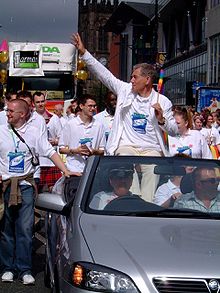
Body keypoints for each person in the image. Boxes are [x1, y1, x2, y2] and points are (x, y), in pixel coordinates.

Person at [72, 33, 178, 201]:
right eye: (131, 77)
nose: (131, 80)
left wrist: (161, 119)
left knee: (152, 170)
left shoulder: (162, 101)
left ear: (148, 79)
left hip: (151, 148)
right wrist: (84, 53)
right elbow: (104, 75)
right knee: (127, 167)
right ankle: (132, 202)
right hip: (127, 146)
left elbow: (174, 131)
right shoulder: (125, 90)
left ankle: (146, 205)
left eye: (135, 77)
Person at [0, 99, 72, 285]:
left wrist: (65, 170)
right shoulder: (1, 131)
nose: (7, 113)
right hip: (5, 186)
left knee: (25, 228)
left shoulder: (34, 133)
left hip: (25, 186)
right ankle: (7, 267)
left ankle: (24, 269)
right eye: (7, 110)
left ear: (22, 114)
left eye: (11, 111)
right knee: (7, 228)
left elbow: (49, 151)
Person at [59, 94, 106, 174]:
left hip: (93, 170)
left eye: (94, 106)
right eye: (90, 106)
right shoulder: (70, 124)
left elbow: (102, 150)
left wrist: (93, 152)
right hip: (74, 170)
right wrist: (75, 151)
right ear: (81, 106)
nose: (93, 109)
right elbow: (61, 149)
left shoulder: (99, 125)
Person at [33, 91, 63, 192]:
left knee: (53, 191)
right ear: (33, 103)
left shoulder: (54, 118)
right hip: (36, 161)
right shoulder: (30, 118)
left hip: (51, 160)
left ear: (45, 102)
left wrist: (55, 141)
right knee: (36, 191)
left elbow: (62, 138)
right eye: (38, 102)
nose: (40, 104)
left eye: (42, 101)